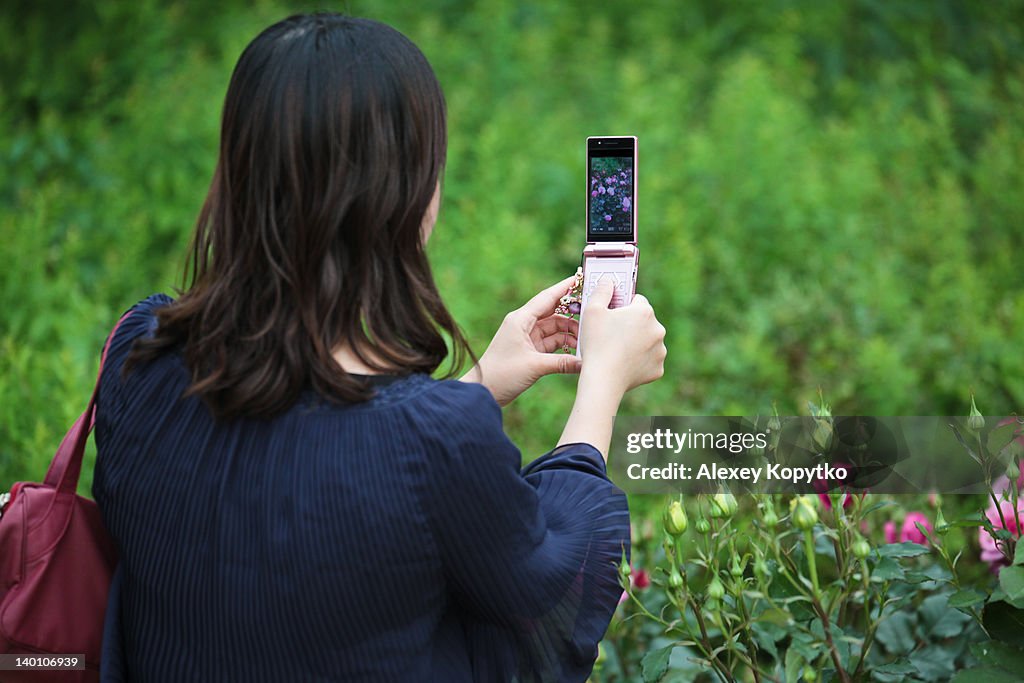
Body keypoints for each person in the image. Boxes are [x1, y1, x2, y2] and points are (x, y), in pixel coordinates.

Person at [92, 12, 666, 683]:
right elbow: (548, 597)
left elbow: (307, 467)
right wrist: (602, 382)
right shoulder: (437, 443)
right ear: (406, 197)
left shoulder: (142, 360)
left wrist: (477, 383)